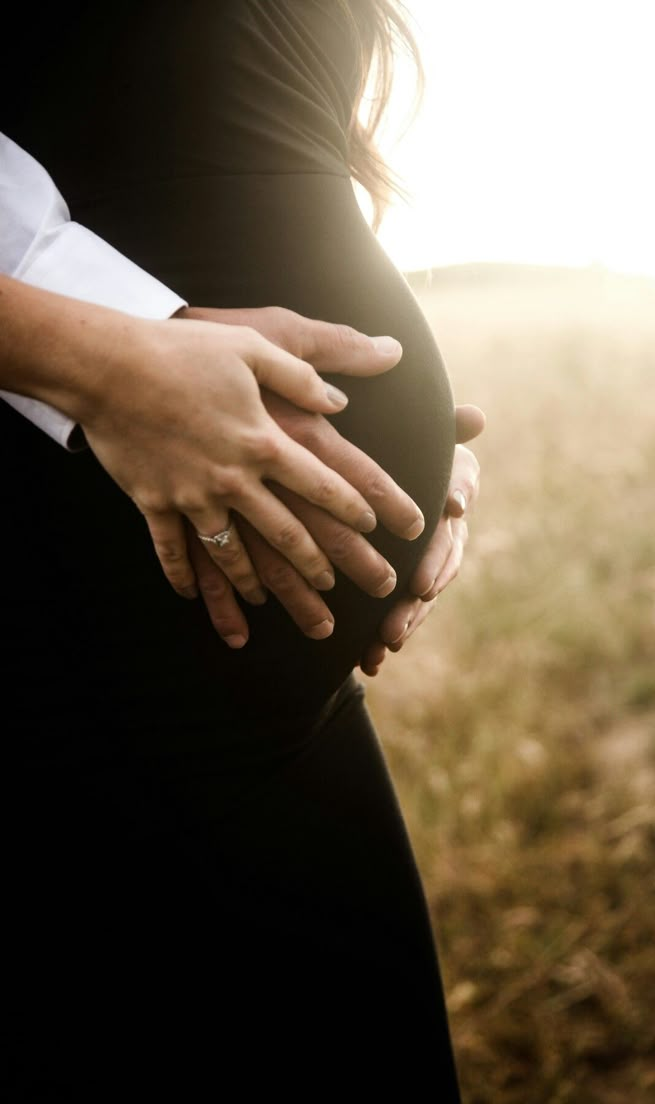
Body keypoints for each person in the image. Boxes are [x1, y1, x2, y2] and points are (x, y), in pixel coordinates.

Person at [2, 2, 483, 1099]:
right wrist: (99, 361)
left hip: (281, 717)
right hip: (66, 648)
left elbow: (225, 153)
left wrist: (408, 417)